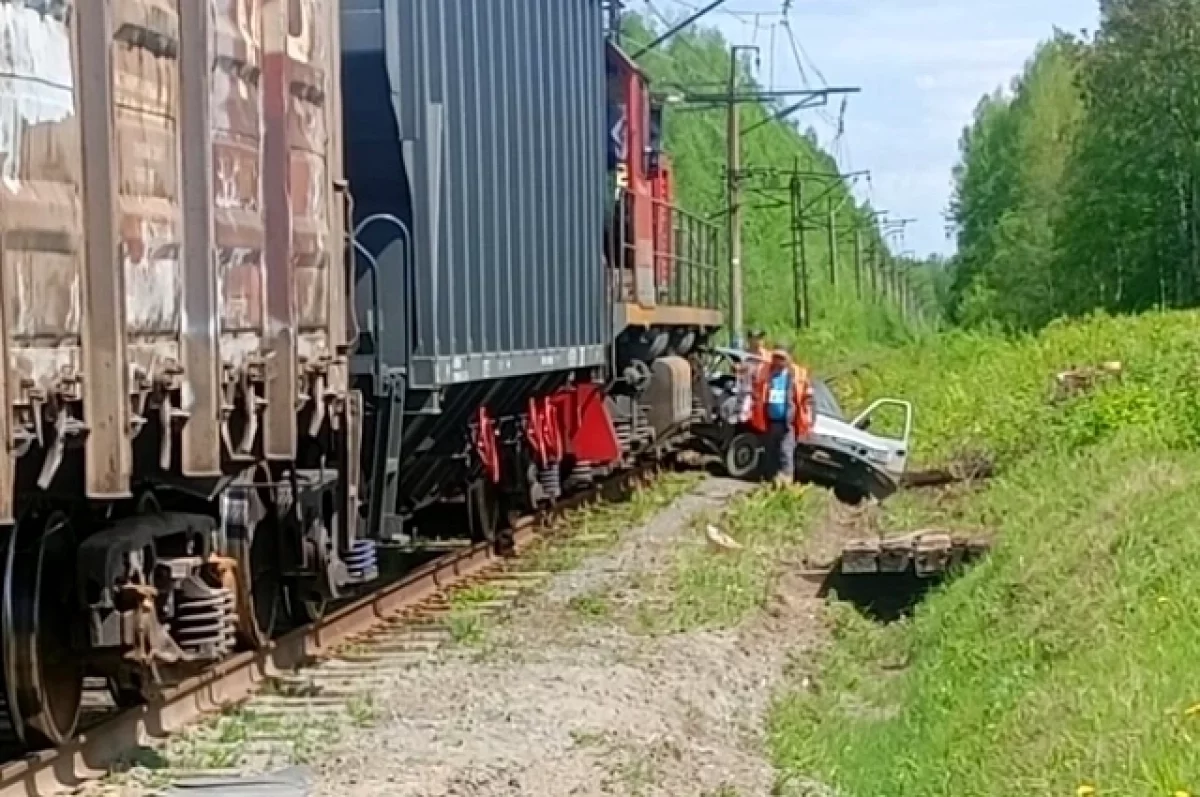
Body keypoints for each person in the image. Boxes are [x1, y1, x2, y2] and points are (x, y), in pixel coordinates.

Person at [748, 347, 814, 486]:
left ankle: (786, 483)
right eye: (776, 357)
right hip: (770, 422)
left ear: (788, 359)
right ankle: (771, 482)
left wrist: (808, 421)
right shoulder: (765, 373)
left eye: (782, 358)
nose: (778, 361)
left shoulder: (796, 376)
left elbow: (808, 400)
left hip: (788, 423)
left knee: (786, 452)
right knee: (770, 453)